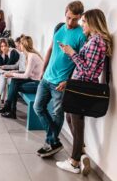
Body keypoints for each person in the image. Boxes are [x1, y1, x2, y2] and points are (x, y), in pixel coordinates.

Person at [56, 9, 113, 175]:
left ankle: (74, 161)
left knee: (77, 122)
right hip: (78, 85)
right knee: (70, 117)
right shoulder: (94, 40)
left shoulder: (96, 42)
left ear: (93, 23)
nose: (82, 25)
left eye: (84, 22)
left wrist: (72, 53)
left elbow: (88, 71)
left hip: (83, 87)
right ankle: (80, 153)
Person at [33, 0, 87, 158]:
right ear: (65, 13)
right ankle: (53, 141)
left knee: (57, 113)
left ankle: (50, 143)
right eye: (68, 18)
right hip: (46, 78)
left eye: (75, 19)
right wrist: (43, 69)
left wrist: (68, 82)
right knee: (38, 107)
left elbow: (81, 64)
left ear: (80, 17)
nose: (70, 22)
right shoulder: (58, 27)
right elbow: (51, 48)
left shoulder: (81, 36)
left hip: (61, 83)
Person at [0, 36, 43, 119]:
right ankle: (10, 108)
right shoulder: (29, 55)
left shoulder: (31, 57)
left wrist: (12, 74)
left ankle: (9, 107)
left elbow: (26, 75)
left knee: (14, 86)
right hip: (32, 79)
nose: (18, 46)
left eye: (19, 44)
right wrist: (13, 73)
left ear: (23, 45)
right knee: (14, 81)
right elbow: (26, 73)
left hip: (38, 84)